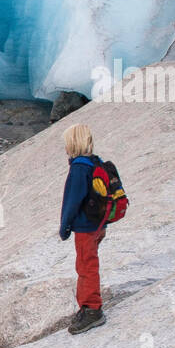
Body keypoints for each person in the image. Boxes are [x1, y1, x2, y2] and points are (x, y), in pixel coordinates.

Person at [59, 123, 107, 334]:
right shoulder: (95, 162)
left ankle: (92, 310)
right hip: (97, 225)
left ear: (72, 144)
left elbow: (72, 200)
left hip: (85, 227)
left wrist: (65, 226)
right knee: (88, 263)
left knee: (85, 266)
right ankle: (87, 306)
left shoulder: (79, 168)